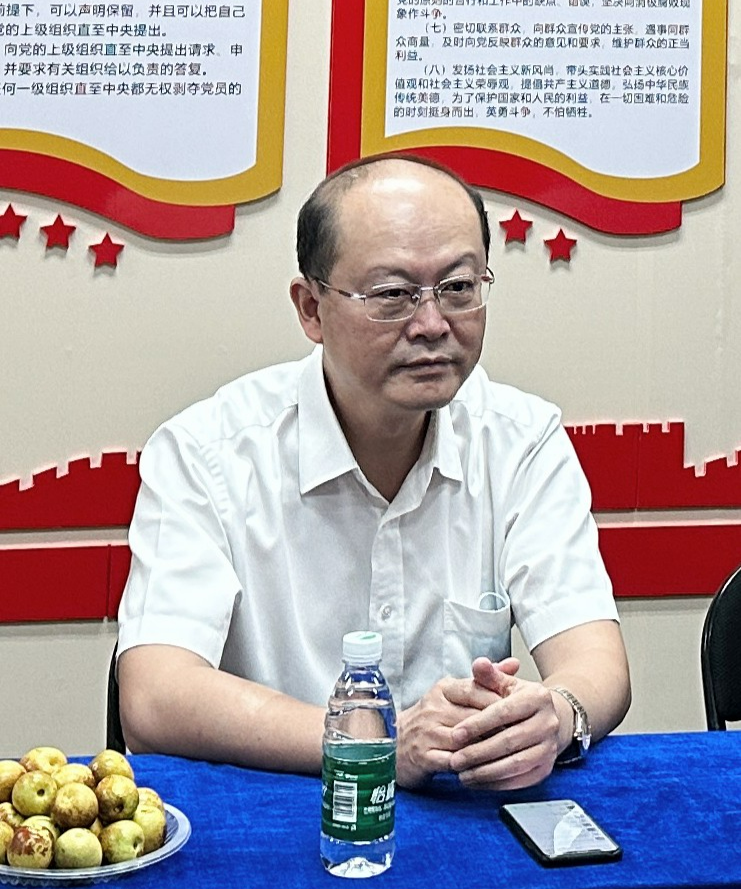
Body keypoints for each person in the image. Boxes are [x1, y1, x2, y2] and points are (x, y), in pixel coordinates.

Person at [117, 155, 630, 791]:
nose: (432, 325)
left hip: (462, 810)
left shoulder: (521, 440)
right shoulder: (206, 452)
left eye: (459, 288)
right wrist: (374, 741)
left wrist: (557, 715)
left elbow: (596, 660)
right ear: (311, 308)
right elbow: (155, 697)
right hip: (279, 804)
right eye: (392, 295)